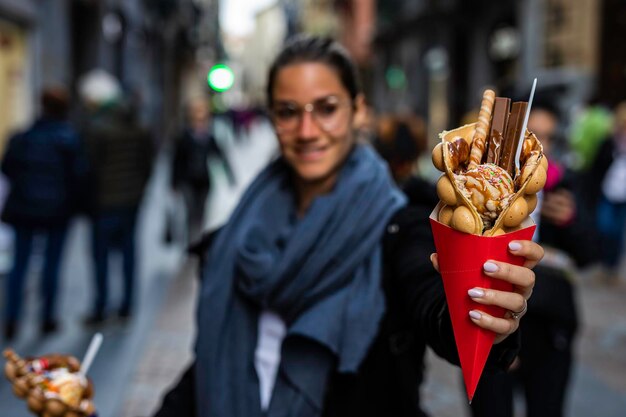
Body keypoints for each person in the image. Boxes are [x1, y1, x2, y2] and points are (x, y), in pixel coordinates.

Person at [153, 35, 543, 417]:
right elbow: (212, 365)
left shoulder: (400, 224)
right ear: (271, 117)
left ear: (358, 111)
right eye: (288, 111)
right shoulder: (238, 233)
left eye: (326, 108)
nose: (307, 131)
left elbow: (434, 309)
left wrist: (484, 314)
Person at [470, 100, 599, 417]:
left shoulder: (564, 184)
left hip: (549, 327)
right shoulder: (483, 187)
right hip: (493, 325)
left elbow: (591, 254)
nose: (540, 148)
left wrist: (572, 221)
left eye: (549, 138)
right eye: (532, 136)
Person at [1, 86, 86, 340]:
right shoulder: (69, 140)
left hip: (26, 209)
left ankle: (12, 319)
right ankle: (47, 318)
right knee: (52, 265)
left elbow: (7, 168)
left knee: (20, 265)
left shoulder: (23, 137)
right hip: (56, 211)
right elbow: (79, 175)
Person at [79, 70, 154, 324]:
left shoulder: (98, 128)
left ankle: (101, 307)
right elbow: (147, 165)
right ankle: (127, 307)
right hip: (130, 201)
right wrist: (138, 191)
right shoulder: (140, 126)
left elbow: (90, 168)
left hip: (104, 203)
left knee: (101, 257)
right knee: (128, 253)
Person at [172, 97, 235, 244]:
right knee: (190, 212)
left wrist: (230, 176)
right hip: (188, 181)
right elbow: (177, 161)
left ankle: (196, 238)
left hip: (204, 181)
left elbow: (220, 157)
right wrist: (174, 182)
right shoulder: (184, 137)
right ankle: (191, 240)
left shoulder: (209, 137)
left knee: (200, 213)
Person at [588, 101, 626, 284]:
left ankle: (611, 268)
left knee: (618, 233)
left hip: (623, 196)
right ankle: (603, 263)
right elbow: (596, 167)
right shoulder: (609, 142)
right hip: (608, 192)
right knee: (605, 227)